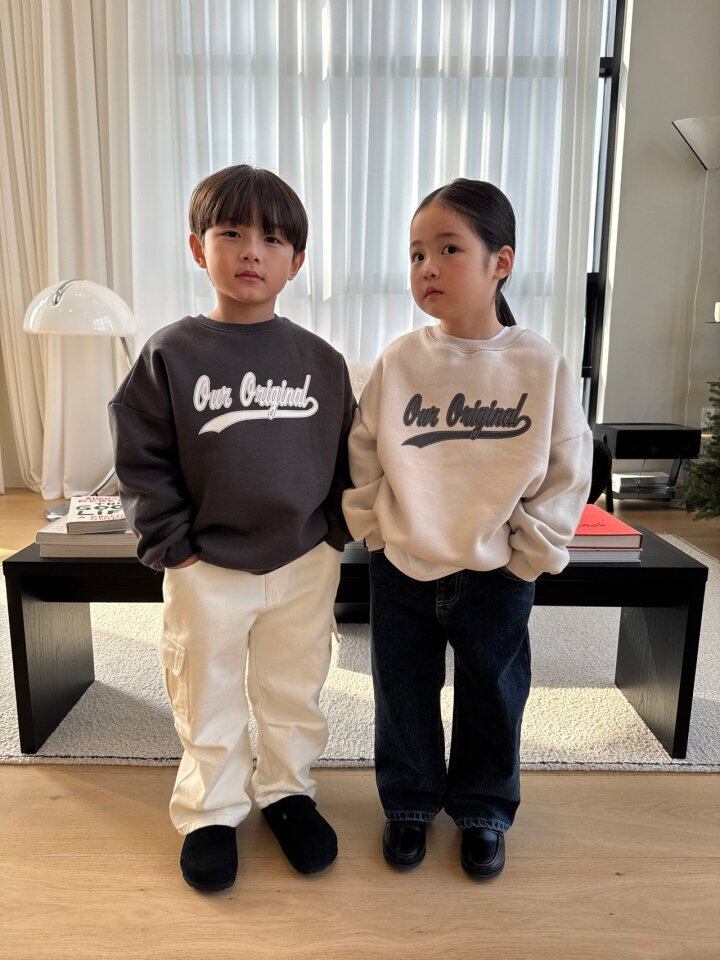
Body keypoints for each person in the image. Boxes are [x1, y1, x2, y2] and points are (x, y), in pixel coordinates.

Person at [108, 163, 356, 892]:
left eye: (273, 239)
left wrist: (334, 529)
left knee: (293, 686)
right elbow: (141, 456)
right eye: (231, 232)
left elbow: (351, 454)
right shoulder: (170, 354)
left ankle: (286, 792)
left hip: (303, 559)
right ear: (198, 248)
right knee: (205, 688)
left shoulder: (322, 362)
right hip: (206, 565)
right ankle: (211, 811)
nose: (252, 250)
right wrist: (173, 547)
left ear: (296, 261)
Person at [342, 178, 593, 880]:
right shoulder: (401, 358)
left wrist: (530, 555)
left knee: (493, 694)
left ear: (500, 262)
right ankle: (410, 802)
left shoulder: (538, 363)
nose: (427, 266)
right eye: (416, 253)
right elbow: (364, 449)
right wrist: (375, 532)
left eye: (448, 249)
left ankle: (483, 809)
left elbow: (568, 467)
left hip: (496, 571)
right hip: (403, 564)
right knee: (402, 692)